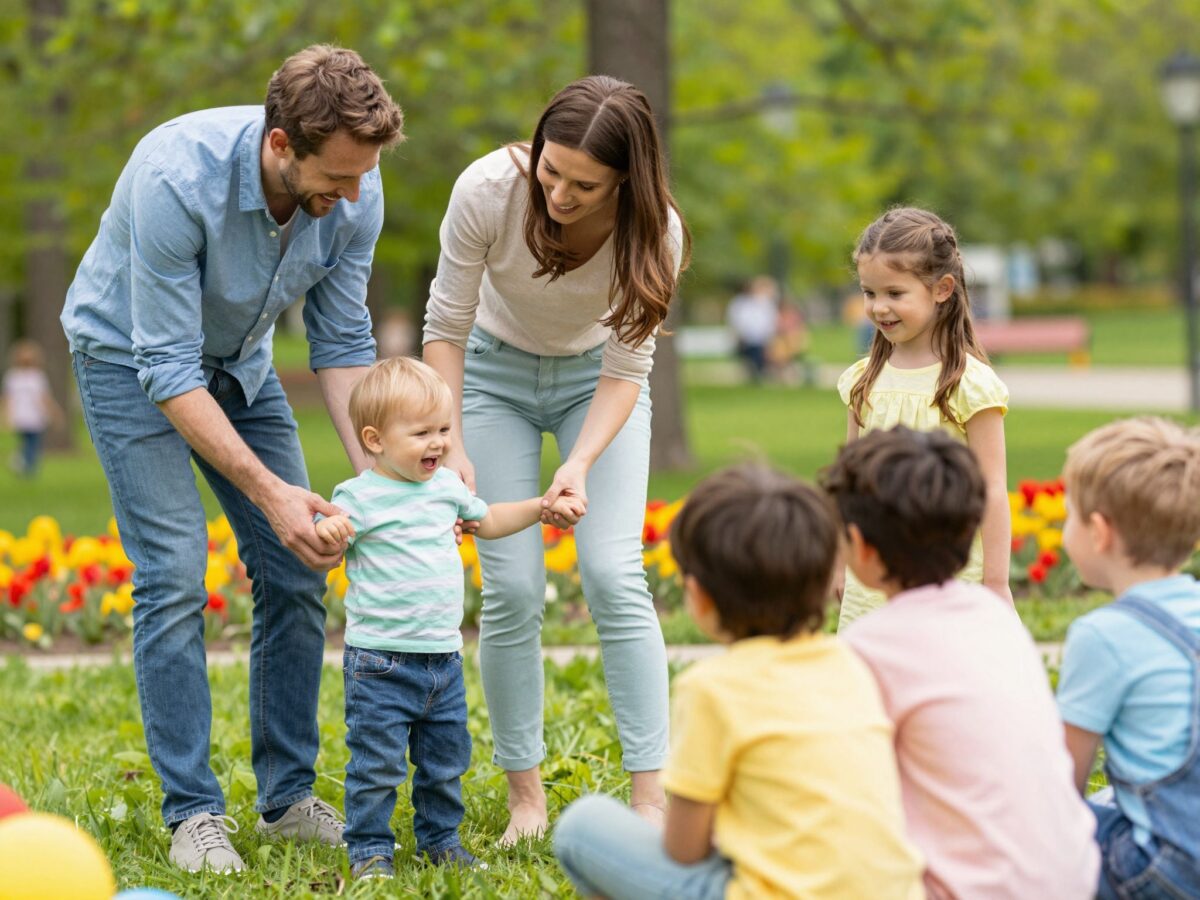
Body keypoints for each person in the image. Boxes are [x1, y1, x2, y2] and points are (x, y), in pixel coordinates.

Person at [59, 45, 404, 872]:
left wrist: (382, 479)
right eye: (339, 178)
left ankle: (286, 801)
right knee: (175, 572)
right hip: (129, 362)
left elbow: (342, 340)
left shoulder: (355, 184)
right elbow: (167, 369)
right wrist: (273, 495)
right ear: (282, 144)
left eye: (364, 176)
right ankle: (193, 813)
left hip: (239, 365)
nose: (355, 197)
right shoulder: (175, 177)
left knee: (297, 567)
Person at [422, 75, 690, 844]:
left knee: (613, 574)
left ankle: (651, 800)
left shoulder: (657, 232)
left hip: (595, 385)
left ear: (626, 181)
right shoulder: (486, 192)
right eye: (550, 171)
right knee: (512, 588)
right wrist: (451, 443)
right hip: (488, 376)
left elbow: (628, 369)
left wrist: (579, 463)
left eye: (585, 185)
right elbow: (445, 327)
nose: (560, 195)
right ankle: (526, 802)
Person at [553, 464, 925, 899]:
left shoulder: (712, 689)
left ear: (699, 597)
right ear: (827, 582)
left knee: (581, 826)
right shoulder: (855, 666)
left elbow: (684, 850)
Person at [313, 357, 582, 879]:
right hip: (380, 663)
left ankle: (440, 841)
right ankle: (370, 848)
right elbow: (332, 536)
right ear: (374, 440)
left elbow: (489, 519)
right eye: (421, 433)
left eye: (443, 429)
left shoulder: (446, 489)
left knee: (444, 761)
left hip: (443, 659)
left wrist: (540, 507)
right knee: (376, 765)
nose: (437, 442)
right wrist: (329, 532)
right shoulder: (359, 497)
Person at [824, 426, 1099, 900]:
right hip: (1069, 880)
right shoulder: (998, 622)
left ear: (860, 547)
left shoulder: (869, 649)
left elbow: (841, 788)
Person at [836, 206, 1011, 629]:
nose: (879, 308)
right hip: (873, 578)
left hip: (947, 577)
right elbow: (849, 482)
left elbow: (992, 488)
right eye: (869, 293)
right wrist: (840, 562)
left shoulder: (968, 385)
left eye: (895, 294)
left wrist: (996, 581)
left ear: (942, 289)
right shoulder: (864, 380)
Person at [1056, 417, 1200, 898]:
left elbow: (1063, 784)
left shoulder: (1103, 636)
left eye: (1070, 516)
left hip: (1166, 872)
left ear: (1099, 532)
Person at [3, 339, 63, 477]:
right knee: (33, 443)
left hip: (20, 416)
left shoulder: (12, 376)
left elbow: (7, 399)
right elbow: (44, 399)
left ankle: (22, 463)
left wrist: (6, 415)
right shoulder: (37, 377)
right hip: (33, 417)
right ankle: (27, 468)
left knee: (26, 442)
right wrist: (54, 412)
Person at [726, 275, 779, 382]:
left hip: (761, 338)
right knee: (752, 358)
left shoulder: (765, 302)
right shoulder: (741, 303)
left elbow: (770, 321)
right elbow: (737, 320)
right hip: (748, 338)